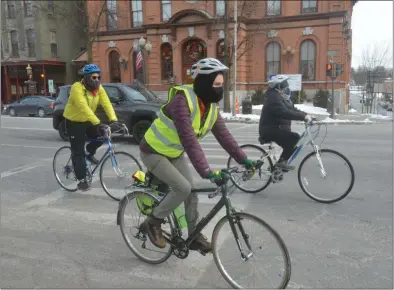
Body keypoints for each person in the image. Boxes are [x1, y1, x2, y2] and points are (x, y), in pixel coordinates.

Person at [139, 58, 256, 253]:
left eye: (221, 85)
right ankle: (153, 222)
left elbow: (224, 136)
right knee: (182, 188)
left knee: (191, 192)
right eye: (216, 84)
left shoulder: (210, 107)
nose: (219, 89)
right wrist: (207, 171)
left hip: (173, 153)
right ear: (203, 82)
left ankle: (193, 236)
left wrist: (244, 159)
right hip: (152, 151)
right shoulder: (181, 101)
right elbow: (188, 138)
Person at [63, 64, 118, 191]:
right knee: (78, 152)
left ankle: (90, 152)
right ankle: (82, 180)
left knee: (103, 134)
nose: (97, 79)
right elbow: (83, 107)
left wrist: (113, 119)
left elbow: (106, 103)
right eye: (94, 77)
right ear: (87, 77)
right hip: (74, 122)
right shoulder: (77, 88)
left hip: (88, 120)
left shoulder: (99, 88)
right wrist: (98, 122)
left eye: (99, 77)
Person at [259, 75, 313, 171]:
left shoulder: (282, 98)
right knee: (294, 138)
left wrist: (307, 115)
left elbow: (293, 109)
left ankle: (276, 169)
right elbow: (284, 112)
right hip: (270, 130)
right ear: (278, 86)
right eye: (284, 85)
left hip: (278, 128)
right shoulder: (273, 97)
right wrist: (303, 117)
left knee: (292, 145)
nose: (286, 87)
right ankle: (281, 163)